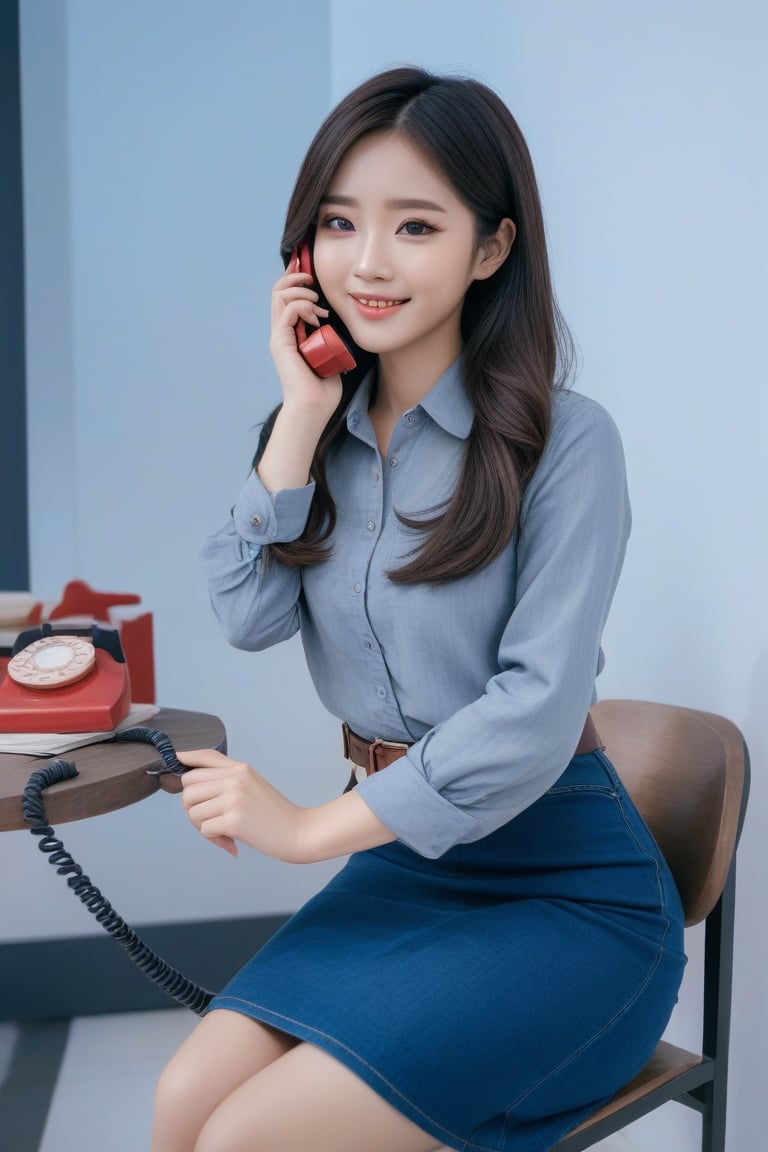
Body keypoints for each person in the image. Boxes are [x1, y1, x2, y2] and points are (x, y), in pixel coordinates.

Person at [151, 66, 686, 1152]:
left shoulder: (568, 445)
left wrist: (303, 832)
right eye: (340, 223)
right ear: (303, 251)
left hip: (566, 894)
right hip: (404, 870)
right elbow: (246, 614)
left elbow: (533, 713)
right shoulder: (310, 433)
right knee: (180, 1107)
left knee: (246, 1138)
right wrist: (301, 416)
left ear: (490, 249)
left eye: (416, 226)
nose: (370, 262)